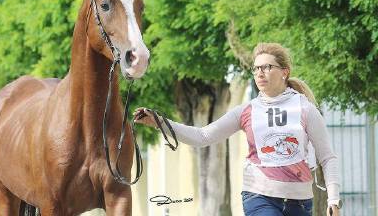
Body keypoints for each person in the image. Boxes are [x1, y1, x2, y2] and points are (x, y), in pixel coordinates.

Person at [134, 42, 342, 216]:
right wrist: (161, 123)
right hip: (259, 194)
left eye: (267, 67)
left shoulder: (305, 109)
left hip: (300, 199)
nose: (260, 73)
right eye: (256, 68)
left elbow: (327, 157)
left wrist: (333, 198)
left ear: (284, 72)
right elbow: (203, 136)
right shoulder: (246, 111)